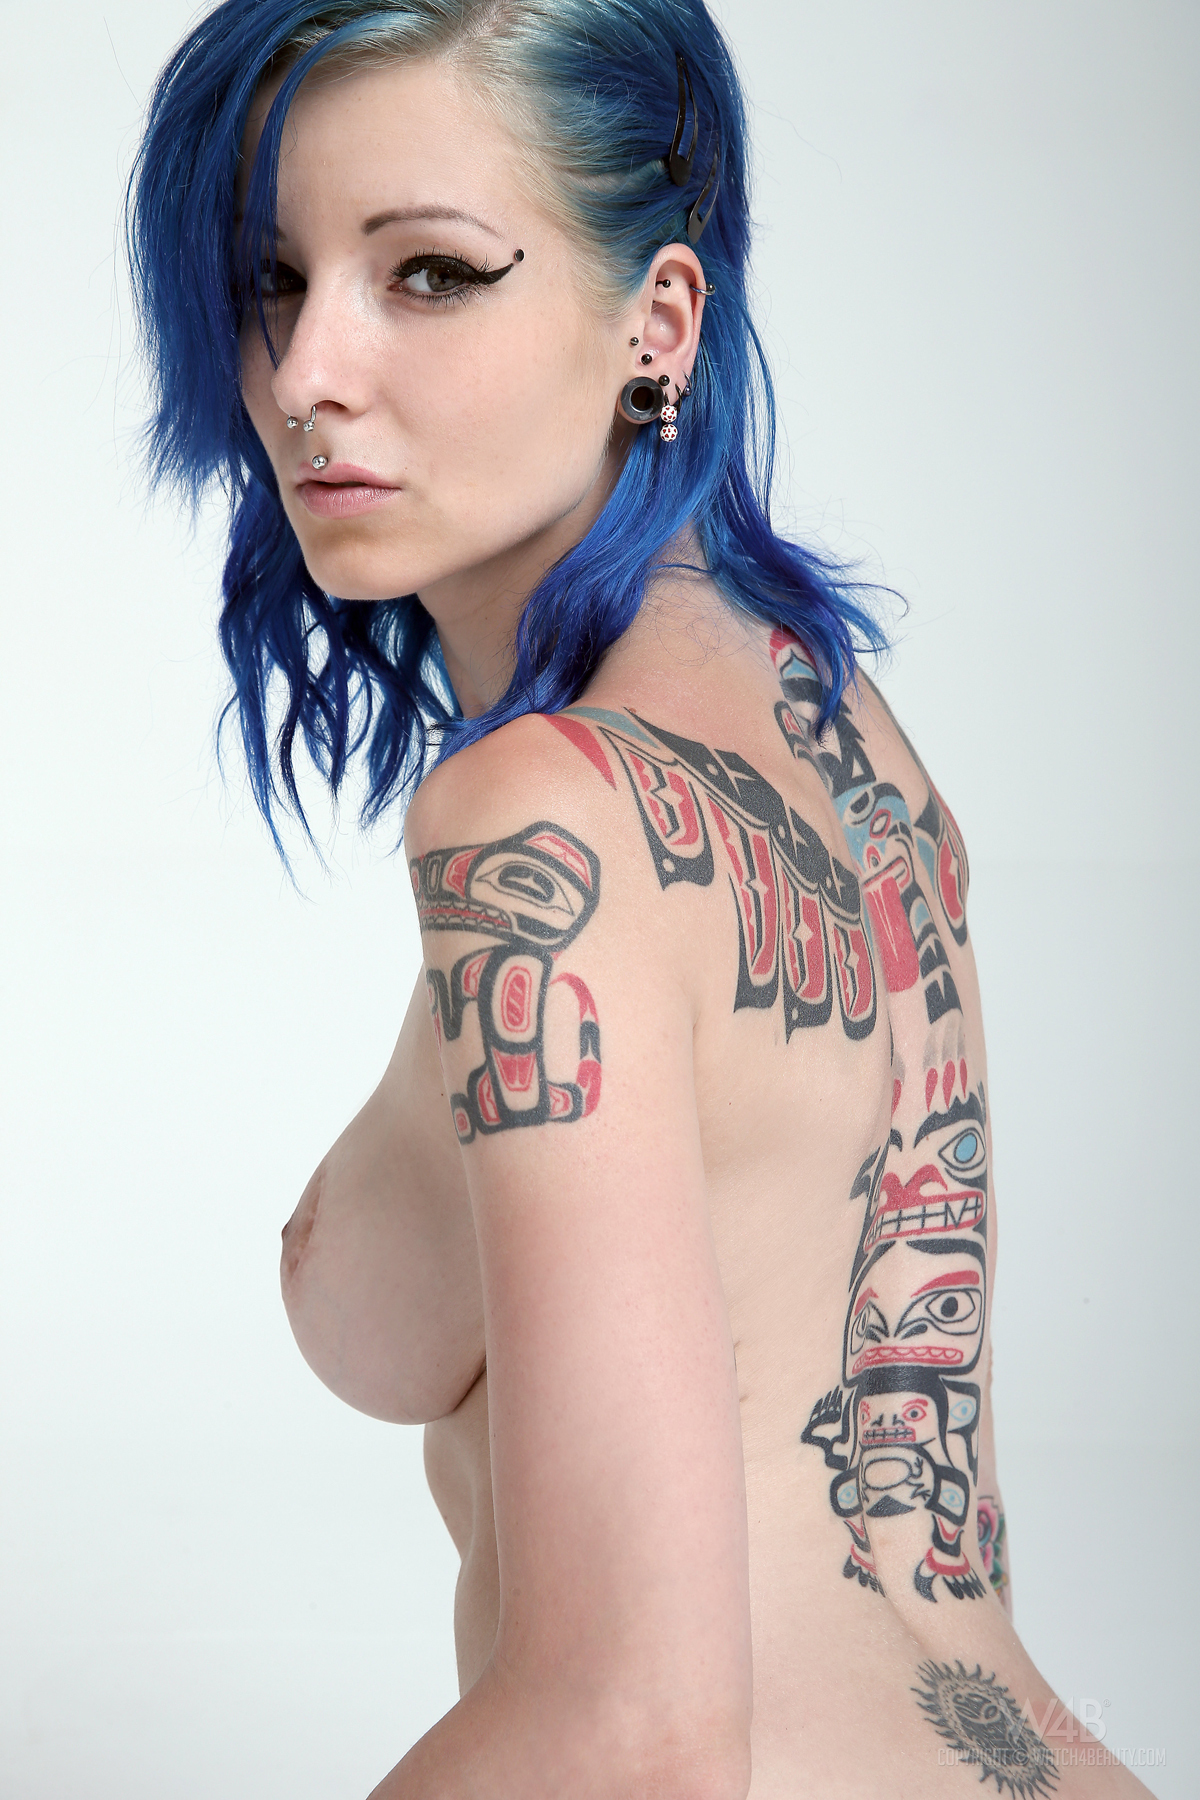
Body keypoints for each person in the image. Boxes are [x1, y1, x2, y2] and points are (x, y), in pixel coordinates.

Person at [127, 2, 1152, 1794]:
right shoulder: (838, 737)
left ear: (657, 325)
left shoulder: (542, 820)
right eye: (272, 279)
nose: (304, 373)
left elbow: (633, 1733)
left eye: (430, 274)